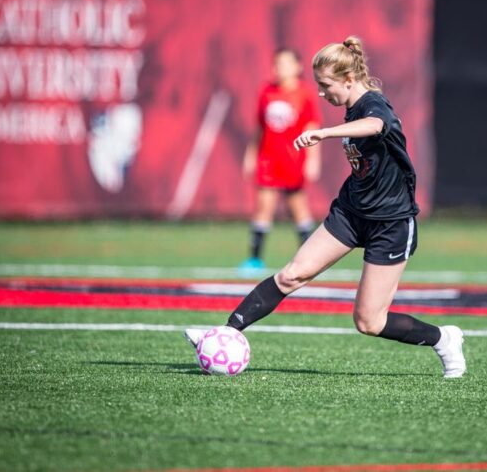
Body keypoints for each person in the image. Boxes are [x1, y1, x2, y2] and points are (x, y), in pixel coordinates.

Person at [188, 36, 466, 378]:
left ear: (349, 81)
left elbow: (377, 126)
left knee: (368, 321)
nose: (321, 93)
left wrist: (325, 133)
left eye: (326, 85)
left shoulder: (373, 105)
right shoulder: (350, 105)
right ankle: (227, 332)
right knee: (292, 274)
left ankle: (443, 339)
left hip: (390, 223)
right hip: (351, 211)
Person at [239, 48, 321, 272]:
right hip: (269, 159)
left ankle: (310, 261)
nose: (280, 68)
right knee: (263, 207)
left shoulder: (305, 93)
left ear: (298, 67)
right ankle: (255, 259)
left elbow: (312, 127)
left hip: (294, 159)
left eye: (286, 63)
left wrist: (313, 159)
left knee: (298, 209)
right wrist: (251, 154)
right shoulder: (266, 91)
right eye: (277, 64)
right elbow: (259, 128)